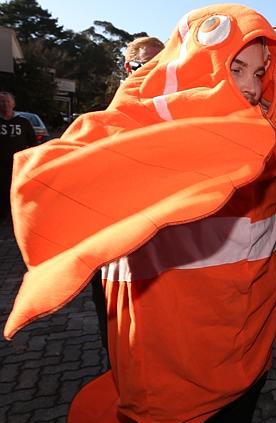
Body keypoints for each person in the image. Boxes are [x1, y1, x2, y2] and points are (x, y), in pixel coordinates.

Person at [5, 5, 276, 423]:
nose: (249, 86)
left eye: (260, 72)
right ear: (196, 65)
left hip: (245, 363)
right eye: (235, 67)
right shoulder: (133, 131)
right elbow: (47, 180)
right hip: (168, 379)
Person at [92, 34, 167, 354]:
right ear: (127, 67)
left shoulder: (176, 119)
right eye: (143, 66)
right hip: (116, 253)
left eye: (159, 66)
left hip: (165, 254)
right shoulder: (103, 122)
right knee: (120, 341)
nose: (151, 73)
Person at [0, 91, 36, 222]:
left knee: (18, 187)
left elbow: (33, 142)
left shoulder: (23, 122)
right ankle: (3, 213)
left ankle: (18, 212)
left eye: (7, 102)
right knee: (2, 187)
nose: (5, 105)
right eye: (2, 102)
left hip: (19, 163)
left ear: (13, 104)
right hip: (1, 164)